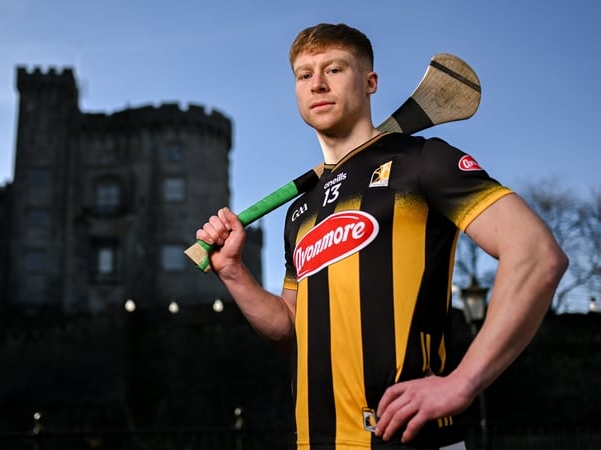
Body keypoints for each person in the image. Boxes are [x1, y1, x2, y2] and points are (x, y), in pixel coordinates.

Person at [195, 23, 568, 450]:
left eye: (334, 69)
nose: (317, 84)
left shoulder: (422, 161)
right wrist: (233, 273)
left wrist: (463, 382)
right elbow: (292, 332)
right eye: (304, 74)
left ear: (370, 82)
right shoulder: (301, 210)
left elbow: (537, 255)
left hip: (410, 440)